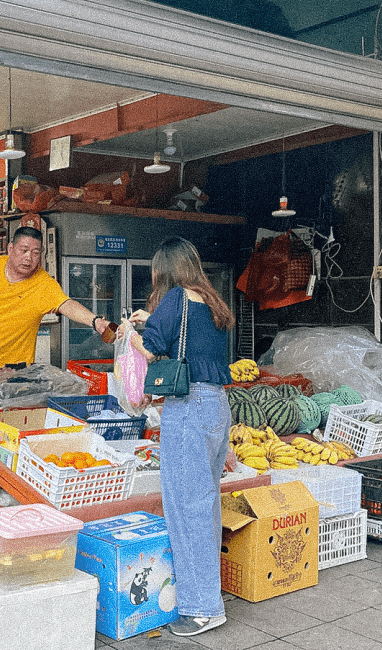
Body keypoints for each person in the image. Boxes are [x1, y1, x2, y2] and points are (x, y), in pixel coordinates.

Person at [126, 237, 234, 638]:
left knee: (186, 509)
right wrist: (148, 320)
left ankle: (202, 607)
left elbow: (151, 351)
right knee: (204, 507)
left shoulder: (174, 299)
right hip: (217, 407)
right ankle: (207, 597)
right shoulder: (211, 303)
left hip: (188, 407)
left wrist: (130, 332)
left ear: (164, 271)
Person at [0, 226, 111, 368]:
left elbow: (66, 304)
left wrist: (95, 321)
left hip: (15, 369)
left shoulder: (44, 284)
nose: (29, 258)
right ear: (10, 249)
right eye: (24, 250)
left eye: (35, 253)